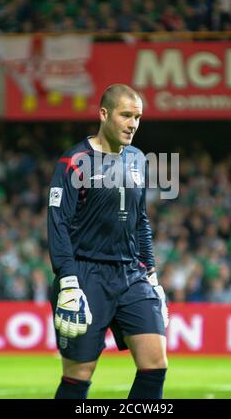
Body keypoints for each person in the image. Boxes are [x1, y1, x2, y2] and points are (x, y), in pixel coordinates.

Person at [47, 84, 168, 399]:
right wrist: (68, 281)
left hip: (132, 275)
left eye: (138, 117)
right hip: (87, 276)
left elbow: (141, 221)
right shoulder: (75, 160)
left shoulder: (139, 159)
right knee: (79, 374)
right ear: (104, 114)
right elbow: (58, 224)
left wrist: (152, 274)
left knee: (155, 363)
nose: (133, 124)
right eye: (126, 115)